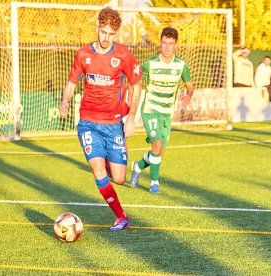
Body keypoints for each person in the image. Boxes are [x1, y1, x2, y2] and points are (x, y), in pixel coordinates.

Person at [59, 7, 142, 230]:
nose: (106, 38)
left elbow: (136, 86)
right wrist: (65, 101)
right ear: (97, 27)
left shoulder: (123, 54)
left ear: (116, 33)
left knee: (119, 178)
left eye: (111, 34)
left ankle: (107, 158)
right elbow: (71, 83)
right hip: (88, 122)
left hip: (114, 124)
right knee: (98, 171)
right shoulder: (83, 54)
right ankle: (121, 216)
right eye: (103, 32)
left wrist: (132, 117)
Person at [130, 27, 194, 193]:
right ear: (160, 43)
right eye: (164, 43)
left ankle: (137, 166)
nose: (167, 47)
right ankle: (154, 183)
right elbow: (134, 81)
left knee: (158, 151)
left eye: (170, 44)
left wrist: (188, 96)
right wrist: (128, 96)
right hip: (150, 109)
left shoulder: (181, 65)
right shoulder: (150, 64)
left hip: (167, 113)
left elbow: (190, 86)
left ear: (175, 45)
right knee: (157, 146)